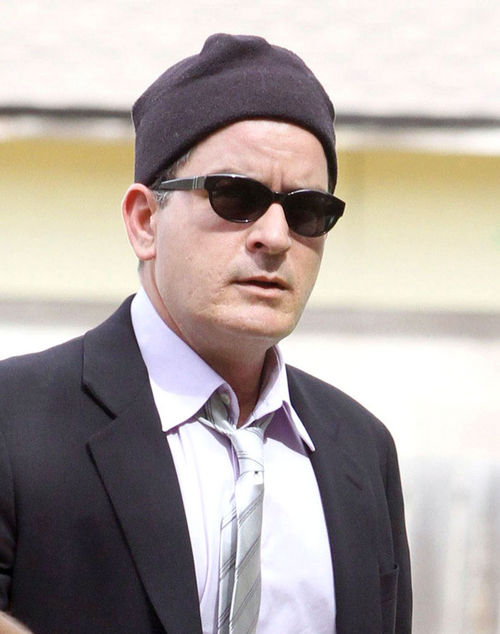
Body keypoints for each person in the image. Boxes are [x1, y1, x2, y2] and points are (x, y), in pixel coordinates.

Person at [0, 34, 411, 634]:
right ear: (146, 221)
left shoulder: (362, 451)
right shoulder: (15, 420)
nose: (275, 236)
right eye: (235, 196)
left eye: (307, 210)